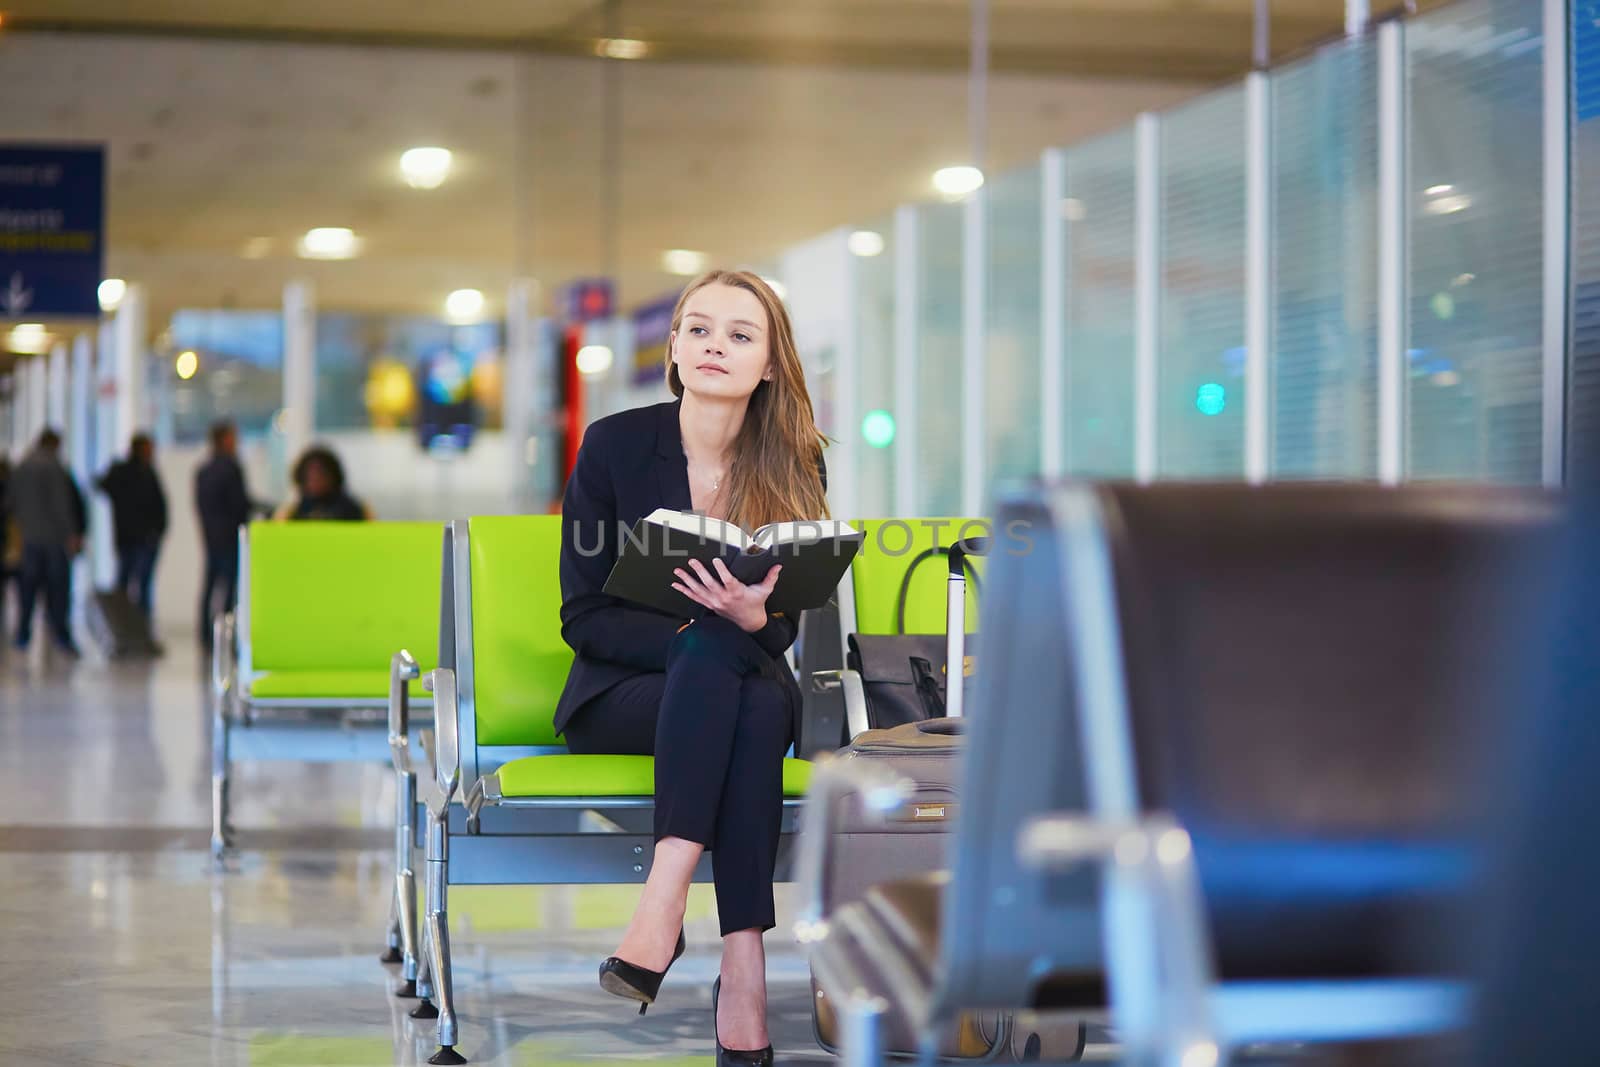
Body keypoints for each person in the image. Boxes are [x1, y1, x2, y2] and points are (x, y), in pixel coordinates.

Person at [556, 270, 828, 1066]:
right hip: (622, 693)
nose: (715, 345)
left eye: (741, 335)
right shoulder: (613, 445)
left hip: (738, 690)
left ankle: (672, 919)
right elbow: (585, 618)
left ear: (771, 363)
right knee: (723, 666)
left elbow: (784, 626)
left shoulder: (794, 463)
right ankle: (734, 952)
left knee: (745, 691)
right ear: (672, 345)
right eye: (699, 328)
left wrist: (755, 620)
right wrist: (697, 632)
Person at [6, 429, 82, 656]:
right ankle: (61, 635)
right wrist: (72, 534)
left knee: (27, 588)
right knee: (58, 589)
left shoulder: (21, 467)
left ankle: (22, 635)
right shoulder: (54, 467)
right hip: (53, 539)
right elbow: (61, 504)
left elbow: (11, 502)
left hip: (28, 537)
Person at [96, 433, 168, 621]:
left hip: (132, 538)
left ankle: (128, 627)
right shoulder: (140, 472)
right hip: (138, 538)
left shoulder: (131, 471)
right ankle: (132, 627)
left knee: (130, 584)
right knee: (135, 585)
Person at [194, 421, 252, 649]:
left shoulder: (203, 470)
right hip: (229, 536)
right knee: (228, 590)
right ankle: (225, 637)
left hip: (211, 536)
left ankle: (206, 636)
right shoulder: (231, 468)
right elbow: (240, 504)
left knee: (209, 588)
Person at [274, 445, 371, 521]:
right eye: (310, 476)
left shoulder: (352, 509)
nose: (315, 479)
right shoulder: (292, 512)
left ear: (333, 476)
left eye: (321, 473)